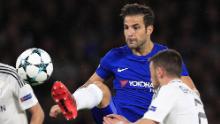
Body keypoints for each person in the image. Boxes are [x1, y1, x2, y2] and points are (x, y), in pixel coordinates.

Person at [49, 3, 198, 123]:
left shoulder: (165, 57)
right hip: (113, 118)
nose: (130, 33)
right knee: (99, 88)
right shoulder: (114, 56)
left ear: (149, 29)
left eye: (136, 27)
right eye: (126, 27)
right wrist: (71, 101)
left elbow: (190, 92)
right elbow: (89, 84)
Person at [103, 49, 208, 124]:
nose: (150, 79)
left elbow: (149, 122)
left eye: (151, 73)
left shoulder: (169, 90)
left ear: (160, 72)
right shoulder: (189, 93)